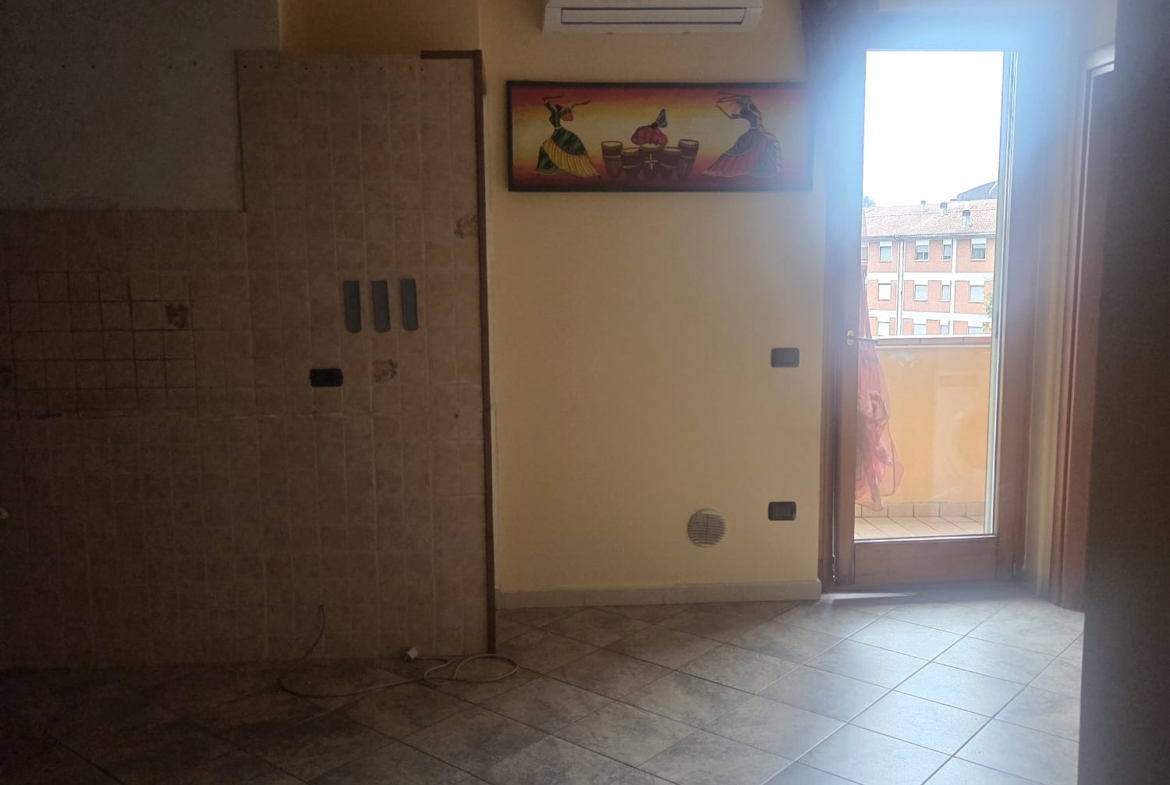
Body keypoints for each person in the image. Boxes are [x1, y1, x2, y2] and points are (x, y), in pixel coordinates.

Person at [704, 93, 782, 179]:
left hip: (755, 133)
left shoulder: (751, 109)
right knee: (738, 149)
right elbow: (747, 116)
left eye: (740, 103)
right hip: (754, 132)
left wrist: (736, 116)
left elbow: (750, 116)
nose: (739, 105)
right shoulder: (750, 109)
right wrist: (736, 116)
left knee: (741, 149)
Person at [535, 96, 600, 178]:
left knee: (546, 147)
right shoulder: (555, 113)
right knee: (546, 148)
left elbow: (553, 107)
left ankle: (543, 170)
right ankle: (545, 169)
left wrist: (548, 100)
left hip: (560, 133)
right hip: (558, 133)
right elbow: (549, 105)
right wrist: (549, 99)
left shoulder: (555, 113)